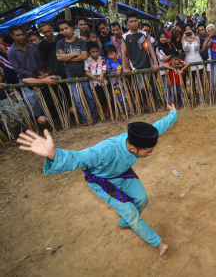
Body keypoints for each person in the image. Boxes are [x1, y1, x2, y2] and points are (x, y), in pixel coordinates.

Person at [16, 108, 178, 257]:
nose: (150, 154)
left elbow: (158, 126)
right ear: (134, 148)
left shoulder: (139, 140)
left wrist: (173, 114)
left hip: (122, 173)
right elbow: (79, 158)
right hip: (102, 180)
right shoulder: (105, 150)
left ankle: (125, 223)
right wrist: (53, 154)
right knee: (129, 210)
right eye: (148, 151)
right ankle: (156, 241)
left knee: (142, 198)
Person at [56, 19, 97, 126]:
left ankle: (92, 116)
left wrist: (66, 56)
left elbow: (84, 56)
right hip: (71, 75)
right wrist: (75, 54)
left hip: (83, 73)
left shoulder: (81, 41)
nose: (65, 31)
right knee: (77, 100)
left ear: (71, 28)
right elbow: (59, 58)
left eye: (66, 28)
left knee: (89, 97)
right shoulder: (60, 43)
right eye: (62, 30)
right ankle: (85, 119)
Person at [122, 11, 159, 111]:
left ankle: (149, 103)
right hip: (134, 65)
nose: (133, 23)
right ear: (127, 24)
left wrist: (155, 63)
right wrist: (124, 68)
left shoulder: (144, 34)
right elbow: (123, 52)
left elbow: (151, 49)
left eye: (135, 21)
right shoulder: (125, 36)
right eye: (131, 21)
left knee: (147, 86)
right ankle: (145, 104)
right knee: (141, 87)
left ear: (138, 22)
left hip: (146, 64)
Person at [7, 25, 44, 116]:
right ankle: (37, 120)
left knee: (44, 97)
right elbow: (18, 69)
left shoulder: (32, 47)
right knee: (31, 100)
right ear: (12, 36)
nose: (21, 37)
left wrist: (40, 74)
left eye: (22, 34)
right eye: (17, 35)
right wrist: (34, 75)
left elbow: (40, 62)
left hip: (40, 77)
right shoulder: (11, 51)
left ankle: (49, 118)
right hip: (25, 80)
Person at [85, 42, 109, 118]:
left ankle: (107, 112)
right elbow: (87, 72)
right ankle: (102, 112)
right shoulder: (87, 61)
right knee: (99, 99)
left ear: (99, 51)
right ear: (89, 52)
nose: (95, 53)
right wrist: (96, 78)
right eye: (93, 52)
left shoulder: (102, 59)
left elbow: (105, 69)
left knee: (107, 98)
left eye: (97, 51)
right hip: (94, 83)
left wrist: (102, 75)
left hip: (103, 82)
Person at [181, 24, 204, 98]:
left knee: (200, 79)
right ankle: (194, 95)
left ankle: (201, 94)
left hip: (198, 61)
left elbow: (197, 48)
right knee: (191, 80)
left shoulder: (197, 38)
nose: (188, 30)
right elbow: (186, 49)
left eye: (189, 29)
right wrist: (186, 39)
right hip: (189, 62)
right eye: (186, 29)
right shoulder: (183, 39)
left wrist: (194, 38)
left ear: (192, 30)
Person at [155, 29, 176, 104]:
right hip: (164, 71)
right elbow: (163, 59)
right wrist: (171, 57)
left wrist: (169, 56)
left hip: (172, 69)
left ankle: (176, 101)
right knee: (167, 87)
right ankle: (169, 102)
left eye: (164, 37)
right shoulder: (158, 48)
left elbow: (175, 54)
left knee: (174, 86)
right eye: (161, 37)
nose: (163, 39)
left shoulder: (170, 45)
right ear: (158, 38)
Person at [105, 44, 126, 114]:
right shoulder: (108, 62)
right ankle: (122, 113)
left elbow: (124, 68)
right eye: (108, 54)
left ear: (116, 53)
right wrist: (116, 84)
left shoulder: (120, 61)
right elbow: (109, 74)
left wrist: (121, 70)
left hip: (123, 82)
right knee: (119, 99)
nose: (110, 56)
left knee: (126, 97)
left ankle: (129, 111)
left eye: (112, 53)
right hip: (115, 84)